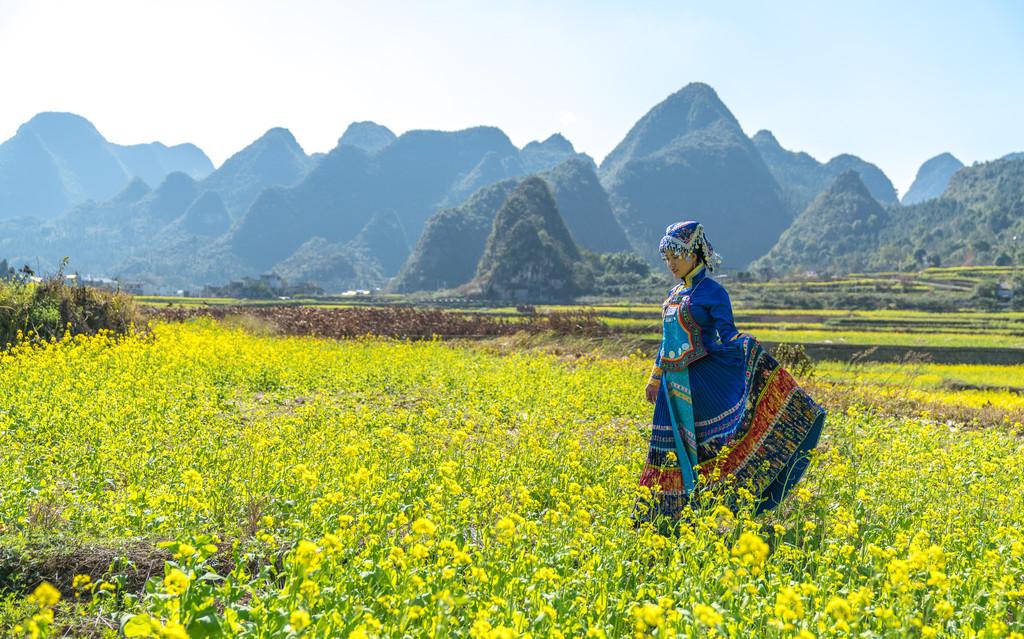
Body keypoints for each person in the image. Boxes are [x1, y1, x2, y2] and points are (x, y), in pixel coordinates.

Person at [632, 221, 826, 525]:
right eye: (666, 259)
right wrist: (654, 378)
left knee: (709, 450)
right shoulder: (672, 295)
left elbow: (728, 335)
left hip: (704, 383)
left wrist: (749, 350)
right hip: (672, 386)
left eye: (676, 257)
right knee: (669, 450)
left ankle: (711, 514)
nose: (670, 265)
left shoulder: (713, 293)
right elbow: (666, 341)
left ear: (694, 255)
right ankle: (662, 520)